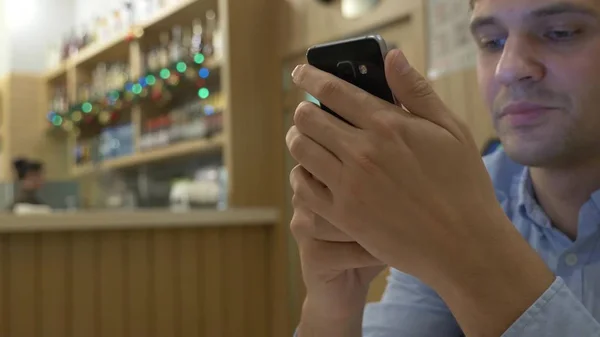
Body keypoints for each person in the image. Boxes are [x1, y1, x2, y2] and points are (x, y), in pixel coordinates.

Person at [286, 0, 600, 335]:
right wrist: (333, 308)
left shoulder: (454, 201)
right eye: (492, 42)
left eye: (560, 33)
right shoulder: (464, 190)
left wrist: (467, 247)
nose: (507, 69)